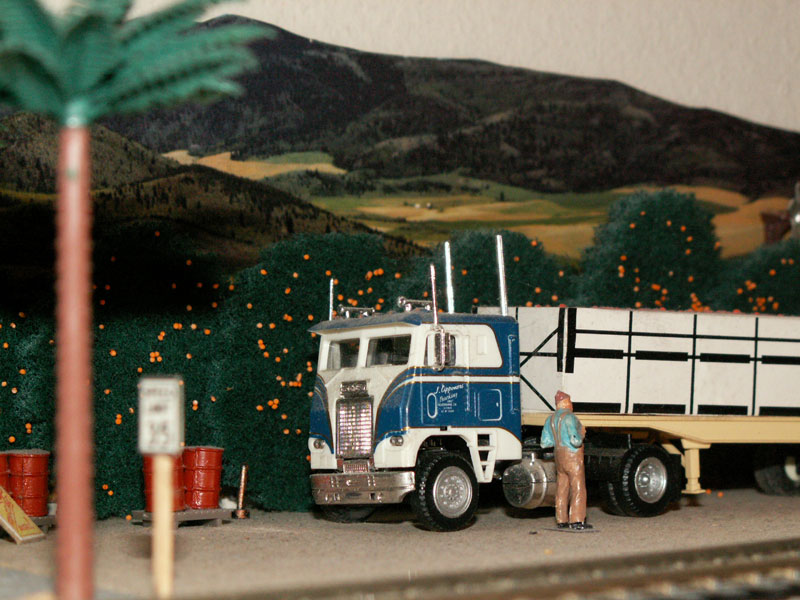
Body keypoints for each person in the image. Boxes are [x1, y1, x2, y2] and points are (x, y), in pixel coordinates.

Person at [541, 390, 591, 530]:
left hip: (559, 455)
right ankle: (576, 519)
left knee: (562, 487)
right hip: (572, 455)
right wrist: (581, 434)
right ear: (566, 403)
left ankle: (561, 519)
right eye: (569, 402)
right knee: (578, 487)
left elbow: (545, 443)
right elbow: (575, 441)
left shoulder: (550, 420)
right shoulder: (570, 418)